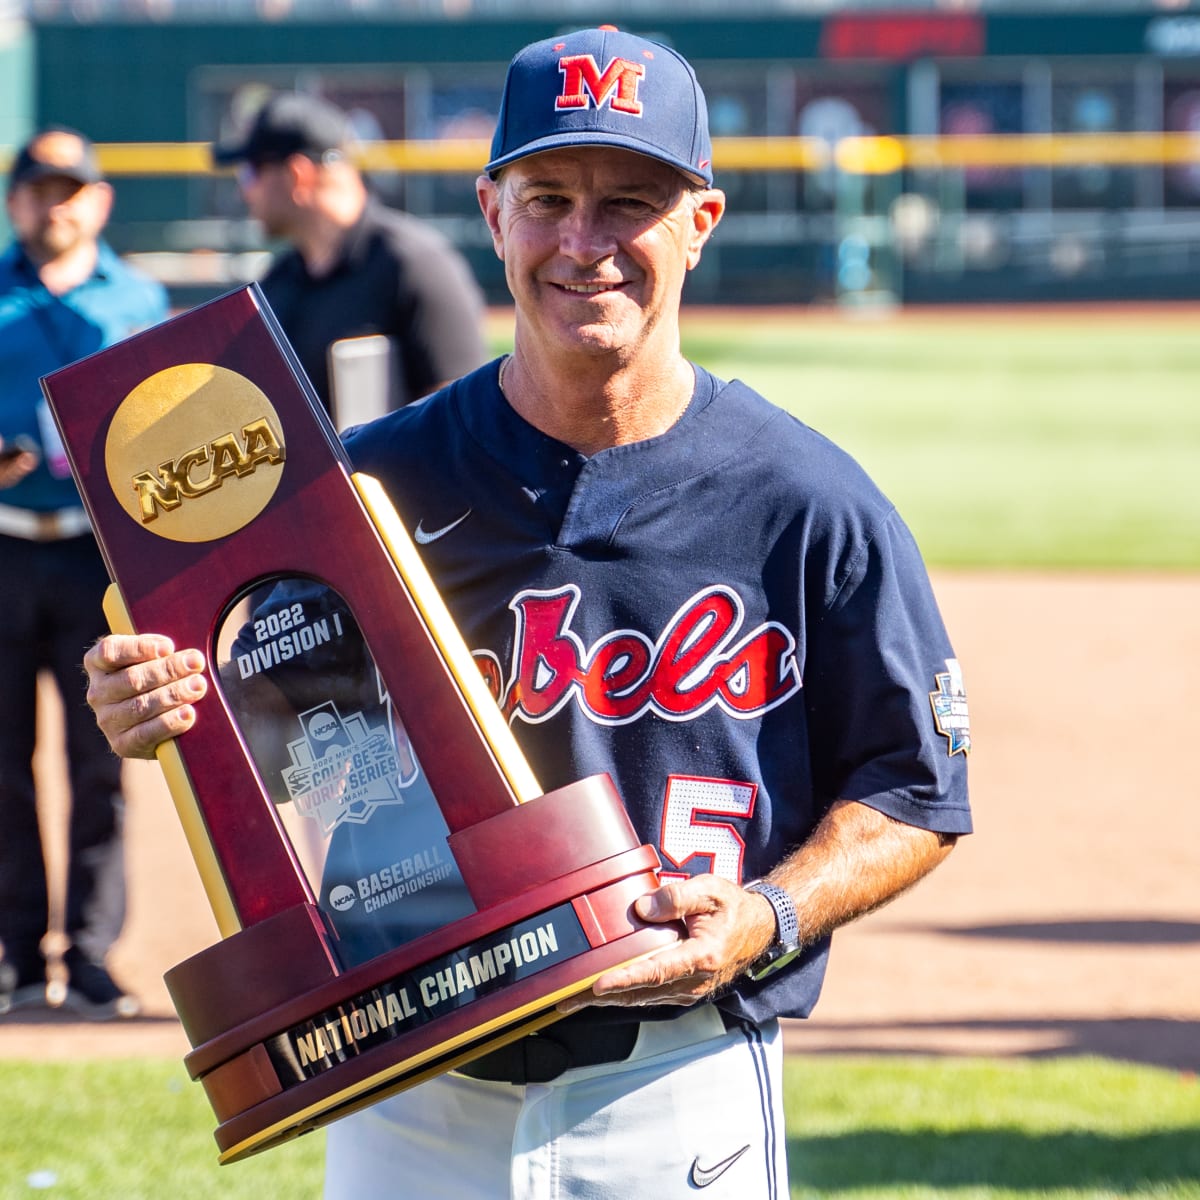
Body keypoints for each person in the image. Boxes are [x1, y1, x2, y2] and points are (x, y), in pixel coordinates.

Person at [84, 27, 972, 1198]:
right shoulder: (361, 494)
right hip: (410, 1078)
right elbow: (280, 731)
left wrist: (765, 915)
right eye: (548, 196)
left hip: (679, 1079)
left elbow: (913, 792)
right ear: (492, 212)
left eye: (631, 202)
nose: (584, 242)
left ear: (699, 221)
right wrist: (166, 700)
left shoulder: (808, 503)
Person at [0, 127, 169, 1019]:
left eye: (71, 189)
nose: (54, 204)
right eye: (38, 189)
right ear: (15, 199)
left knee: (102, 759)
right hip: (2, 543)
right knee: (3, 764)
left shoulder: (136, 298)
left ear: (99, 201)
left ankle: (93, 954)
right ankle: (17, 957)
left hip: (93, 553)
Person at [212, 90, 488, 418]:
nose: (245, 189)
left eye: (251, 172)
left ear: (299, 174)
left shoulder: (416, 263)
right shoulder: (278, 282)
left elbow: (464, 418)